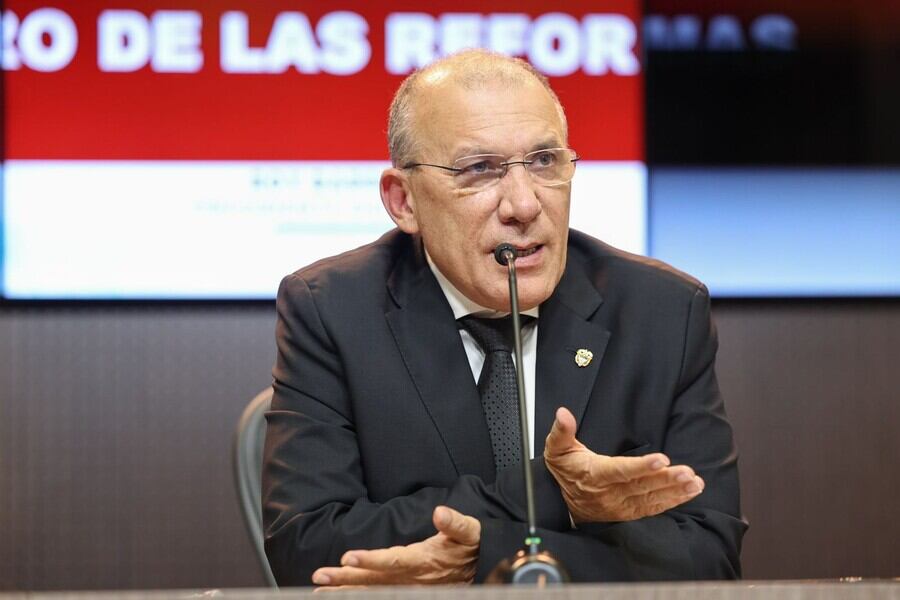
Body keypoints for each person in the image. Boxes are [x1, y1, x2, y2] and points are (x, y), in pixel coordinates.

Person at [262, 49, 747, 587]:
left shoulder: (662, 311)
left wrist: (486, 554)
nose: (523, 204)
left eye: (544, 162)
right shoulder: (334, 309)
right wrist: (559, 497)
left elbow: (708, 557)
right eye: (478, 170)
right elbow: (308, 548)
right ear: (404, 202)